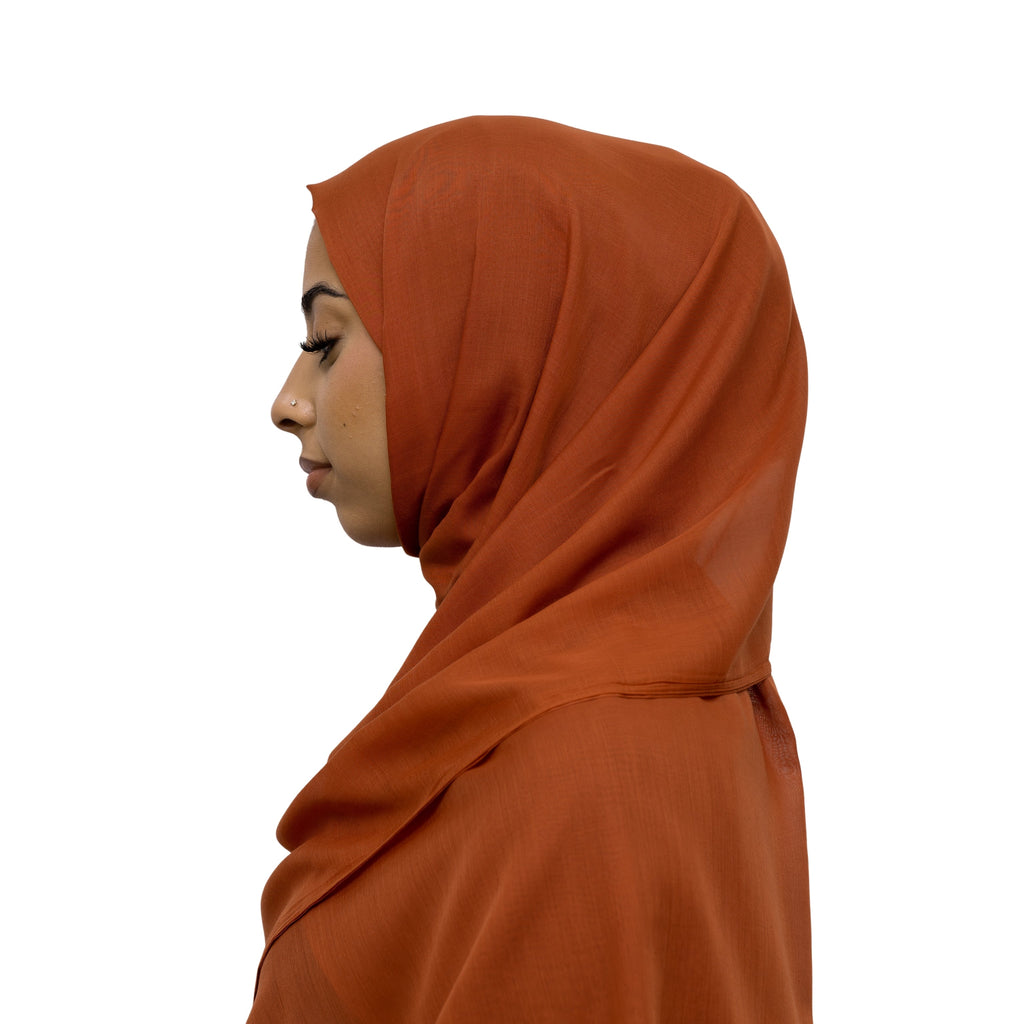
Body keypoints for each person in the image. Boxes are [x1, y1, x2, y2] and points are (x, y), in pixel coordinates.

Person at [254, 115, 811, 1023]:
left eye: (326, 342)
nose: (287, 401)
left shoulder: (572, 773)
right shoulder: (671, 713)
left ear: (497, 348)